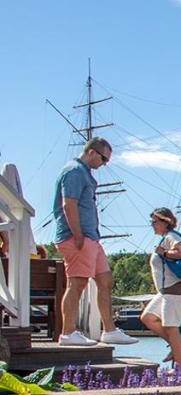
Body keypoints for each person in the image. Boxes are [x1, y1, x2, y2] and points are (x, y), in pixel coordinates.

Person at [52, 137, 138, 347]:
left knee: (105, 280)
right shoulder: (74, 171)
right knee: (77, 282)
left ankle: (109, 330)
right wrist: (78, 235)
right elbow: (68, 204)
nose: (104, 164)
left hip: (91, 237)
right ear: (91, 152)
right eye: (103, 159)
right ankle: (68, 333)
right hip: (78, 237)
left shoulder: (85, 174)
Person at [139, 208, 181, 369]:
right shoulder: (166, 238)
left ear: (165, 222)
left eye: (155, 222)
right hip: (166, 291)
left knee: (171, 327)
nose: (152, 225)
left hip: (176, 289)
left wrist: (164, 253)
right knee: (148, 317)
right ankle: (176, 345)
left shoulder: (172, 237)